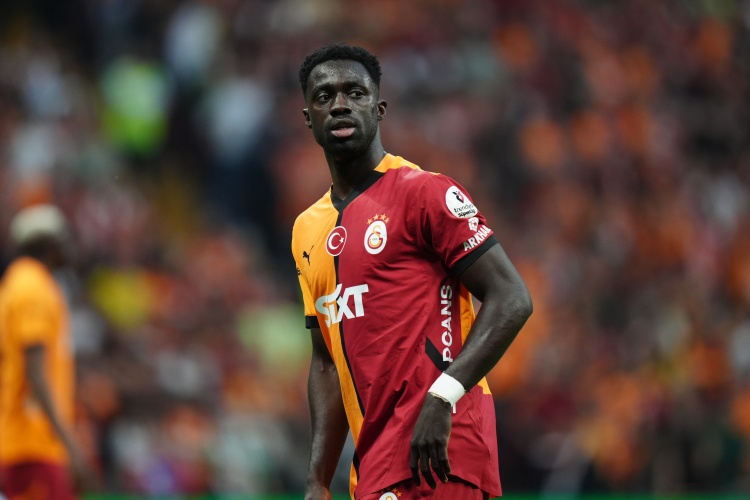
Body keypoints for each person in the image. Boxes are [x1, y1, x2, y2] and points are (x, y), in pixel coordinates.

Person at [291, 42, 533, 500]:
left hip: (440, 449)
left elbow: (512, 297)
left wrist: (444, 395)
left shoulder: (425, 193)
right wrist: (317, 479)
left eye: (355, 93)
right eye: (324, 96)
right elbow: (325, 359)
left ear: (378, 108)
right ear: (308, 117)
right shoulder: (306, 230)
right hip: (374, 468)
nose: (339, 104)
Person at [0, 204, 93, 500]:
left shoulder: (17, 284)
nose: (71, 247)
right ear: (49, 244)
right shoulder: (34, 288)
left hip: (24, 440)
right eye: (65, 239)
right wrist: (70, 443)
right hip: (33, 442)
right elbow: (35, 372)